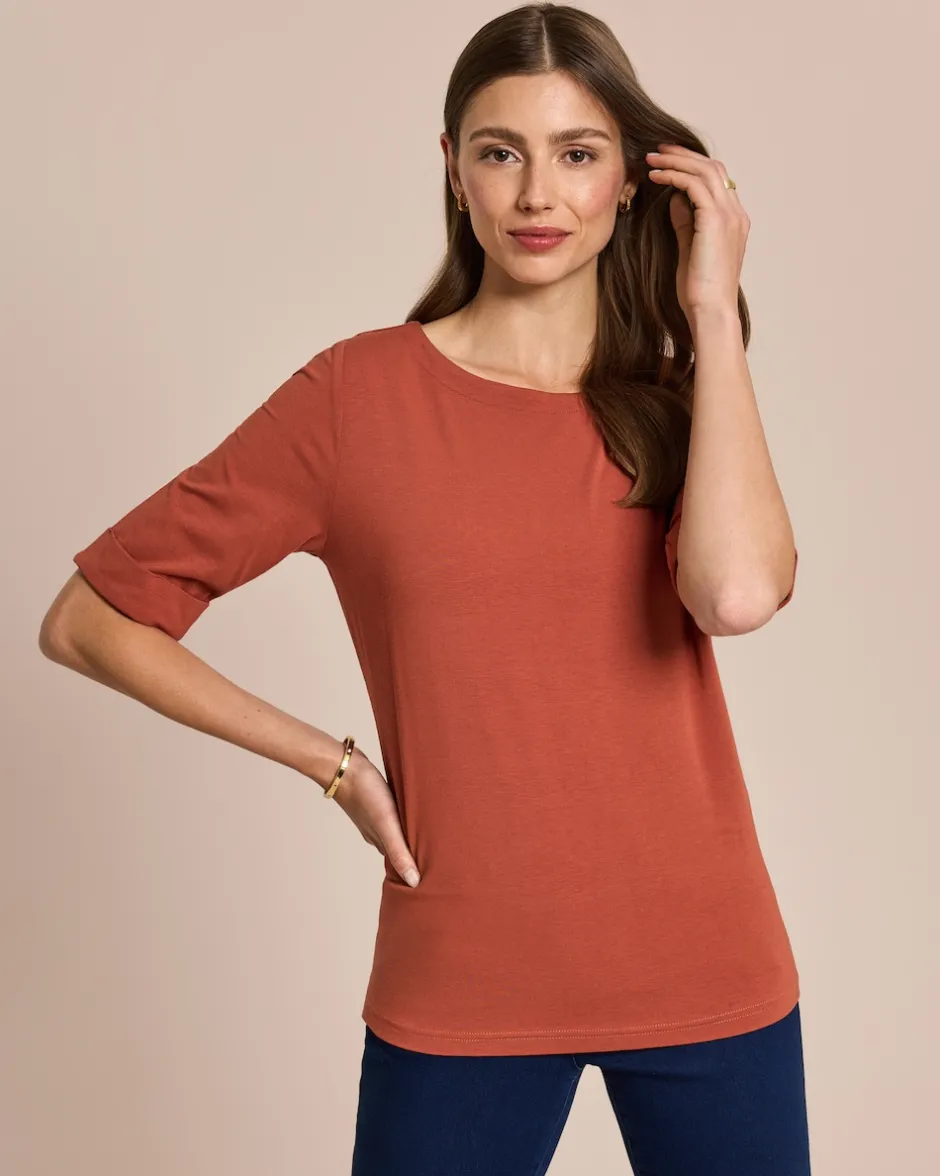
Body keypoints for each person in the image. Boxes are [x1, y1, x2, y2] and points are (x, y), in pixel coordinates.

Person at [39, 3, 812, 1173]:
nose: (538, 194)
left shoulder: (681, 399)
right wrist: (334, 766)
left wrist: (711, 314)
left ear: (628, 182)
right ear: (454, 170)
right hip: (464, 972)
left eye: (577, 154)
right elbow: (92, 617)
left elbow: (739, 595)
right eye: (501, 152)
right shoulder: (357, 401)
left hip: (705, 961)